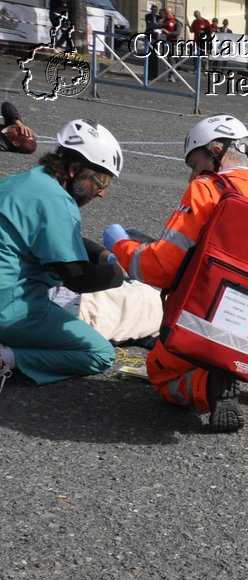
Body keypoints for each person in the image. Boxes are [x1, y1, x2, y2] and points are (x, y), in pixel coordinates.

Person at [107, 115, 248, 431]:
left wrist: (120, 245)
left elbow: (160, 268)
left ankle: (208, 383)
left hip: (210, 320)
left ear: (216, 150)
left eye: (196, 162)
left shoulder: (205, 189)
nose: (192, 173)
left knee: (161, 372)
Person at [0, 120, 126, 393]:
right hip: (7, 308)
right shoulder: (59, 201)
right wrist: (116, 273)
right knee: (100, 353)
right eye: (100, 181)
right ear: (73, 170)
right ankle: (6, 358)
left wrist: (102, 253)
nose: (102, 192)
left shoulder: (24, 181)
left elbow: (55, 237)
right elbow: (77, 278)